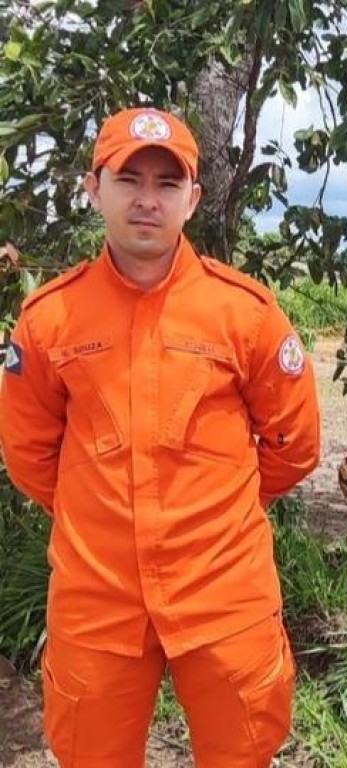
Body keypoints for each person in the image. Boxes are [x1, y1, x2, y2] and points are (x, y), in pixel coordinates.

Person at [0, 107, 321, 767]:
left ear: (192, 199)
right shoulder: (50, 319)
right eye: (129, 179)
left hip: (225, 595)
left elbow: (295, 443)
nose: (148, 199)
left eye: (167, 183)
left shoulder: (244, 314)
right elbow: (28, 453)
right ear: (94, 189)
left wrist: (221, 512)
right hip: (97, 600)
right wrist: (100, 518)